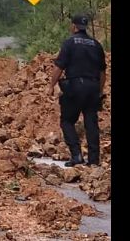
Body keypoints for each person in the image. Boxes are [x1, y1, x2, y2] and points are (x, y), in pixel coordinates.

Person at [46, 13, 107, 167]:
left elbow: (59, 67)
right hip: (93, 87)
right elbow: (102, 73)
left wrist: (51, 86)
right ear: (85, 27)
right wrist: (99, 92)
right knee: (91, 123)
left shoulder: (69, 43)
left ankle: (76, 155)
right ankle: (94, 160)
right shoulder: (96, 44)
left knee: (67, 121)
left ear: (73, 26)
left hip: (75, 87)